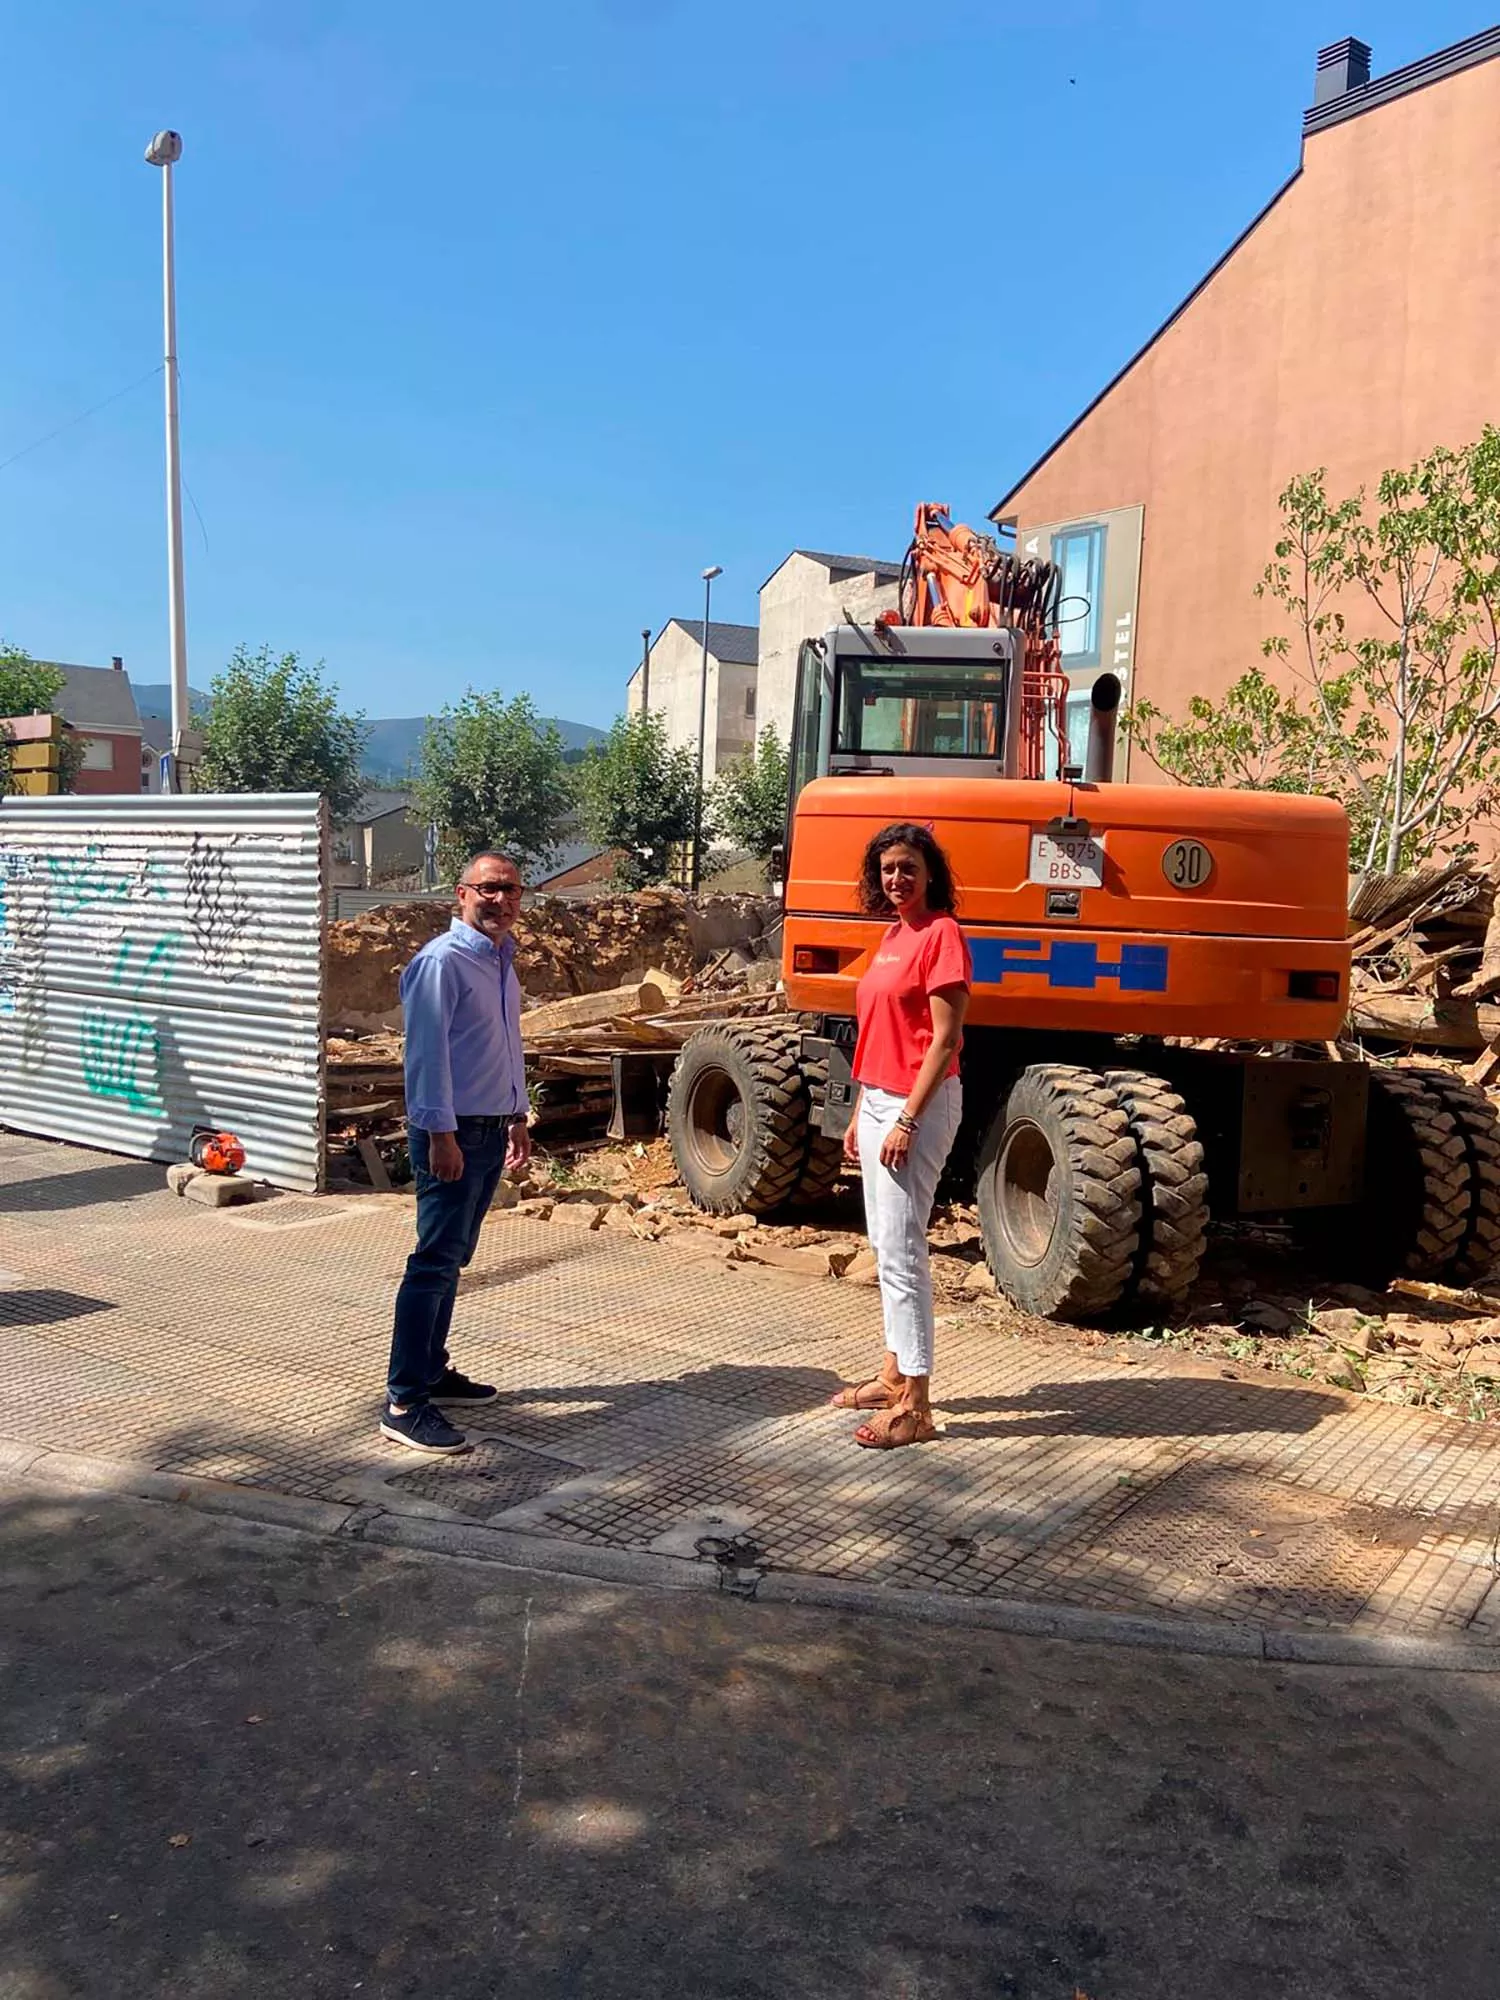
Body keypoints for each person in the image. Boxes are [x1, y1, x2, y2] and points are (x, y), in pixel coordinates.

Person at [380, 851, 532, 1454]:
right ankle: (404, 1400)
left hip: (491, 1128)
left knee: (454, 1257)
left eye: (513, 891)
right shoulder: (441, 963)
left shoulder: (500, 962)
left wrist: (517, 1116)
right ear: (460, 895)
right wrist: (440, 1135)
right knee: (434, 1261)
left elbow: (506, 1044)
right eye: (490, 890)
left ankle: (433, 1372)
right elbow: (425, 1059)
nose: (502, 901)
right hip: (454, 1132)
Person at [831, 823, 971, 1449]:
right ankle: (893, 1375)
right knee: (888, 1247)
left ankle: (915, 1403)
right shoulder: (893, 935)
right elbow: (878, 1032)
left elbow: (943, 1040)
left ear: (930, 873)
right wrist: (864, 1109)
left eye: (908, 867)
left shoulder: (941, 935)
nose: (897, 879)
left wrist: (907, 1118)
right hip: (883, 1098)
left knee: (903, 1251)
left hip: (922, 1102)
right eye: (887, 868)